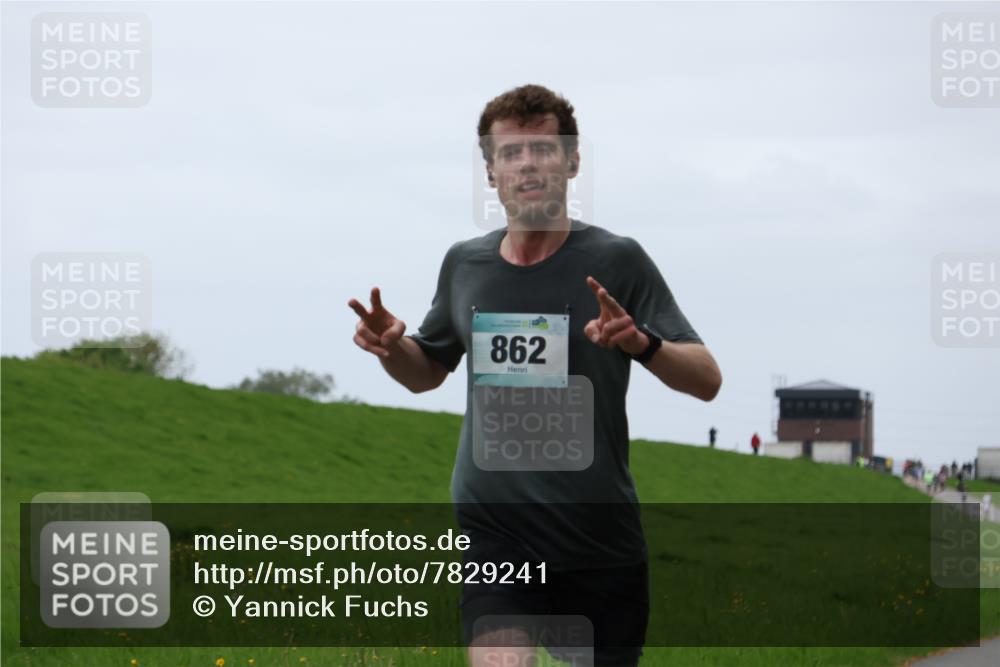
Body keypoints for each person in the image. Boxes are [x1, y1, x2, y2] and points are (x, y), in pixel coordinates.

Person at [348, 84, 722, 667]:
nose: (529, 164)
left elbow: (706, 380)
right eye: (512, 152)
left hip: (598, 539)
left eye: (545, 149)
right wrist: (392, 349)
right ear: (491, 172)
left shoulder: (617, 260)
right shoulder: (465, 265)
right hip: (496, 531)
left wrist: (641, 343)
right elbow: (426, 373)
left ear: (572, 162)